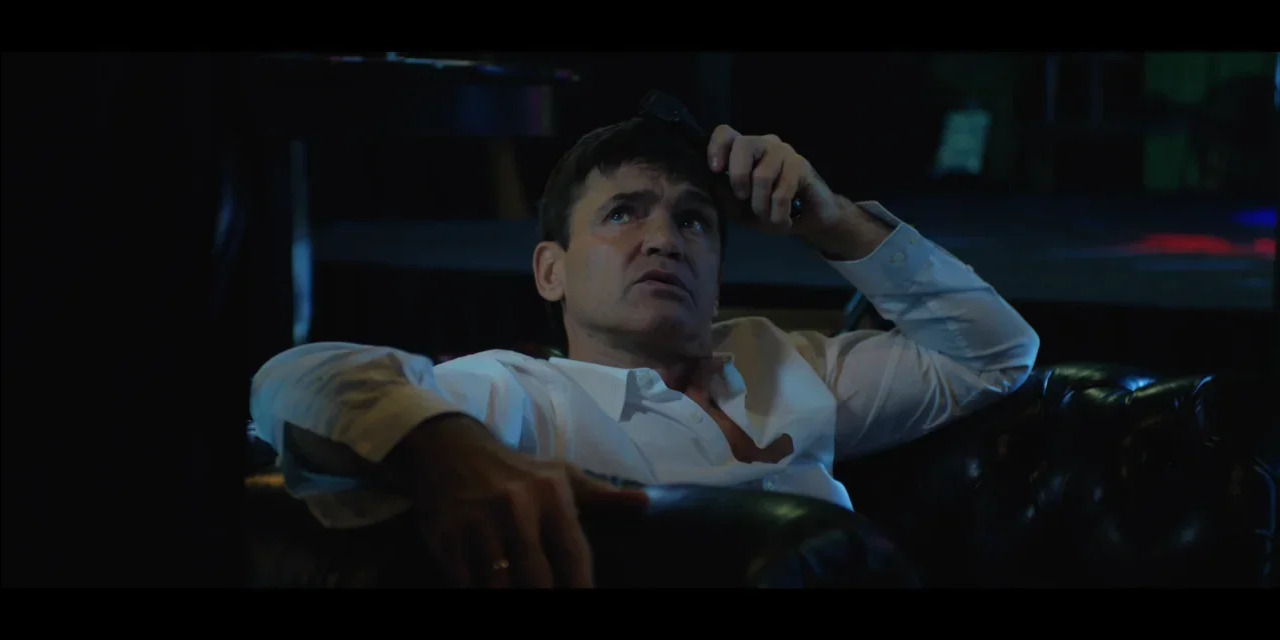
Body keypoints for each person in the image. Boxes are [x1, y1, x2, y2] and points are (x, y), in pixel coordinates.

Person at [248, 115, 1040, 589]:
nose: (664, 239)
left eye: (693, 221)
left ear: (718, 273)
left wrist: (831, 221)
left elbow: (995, 356)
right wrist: (441, 446)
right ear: (551, 272)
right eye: (624, 213)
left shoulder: (784, 362)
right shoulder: (518, 393)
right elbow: (291, 380)